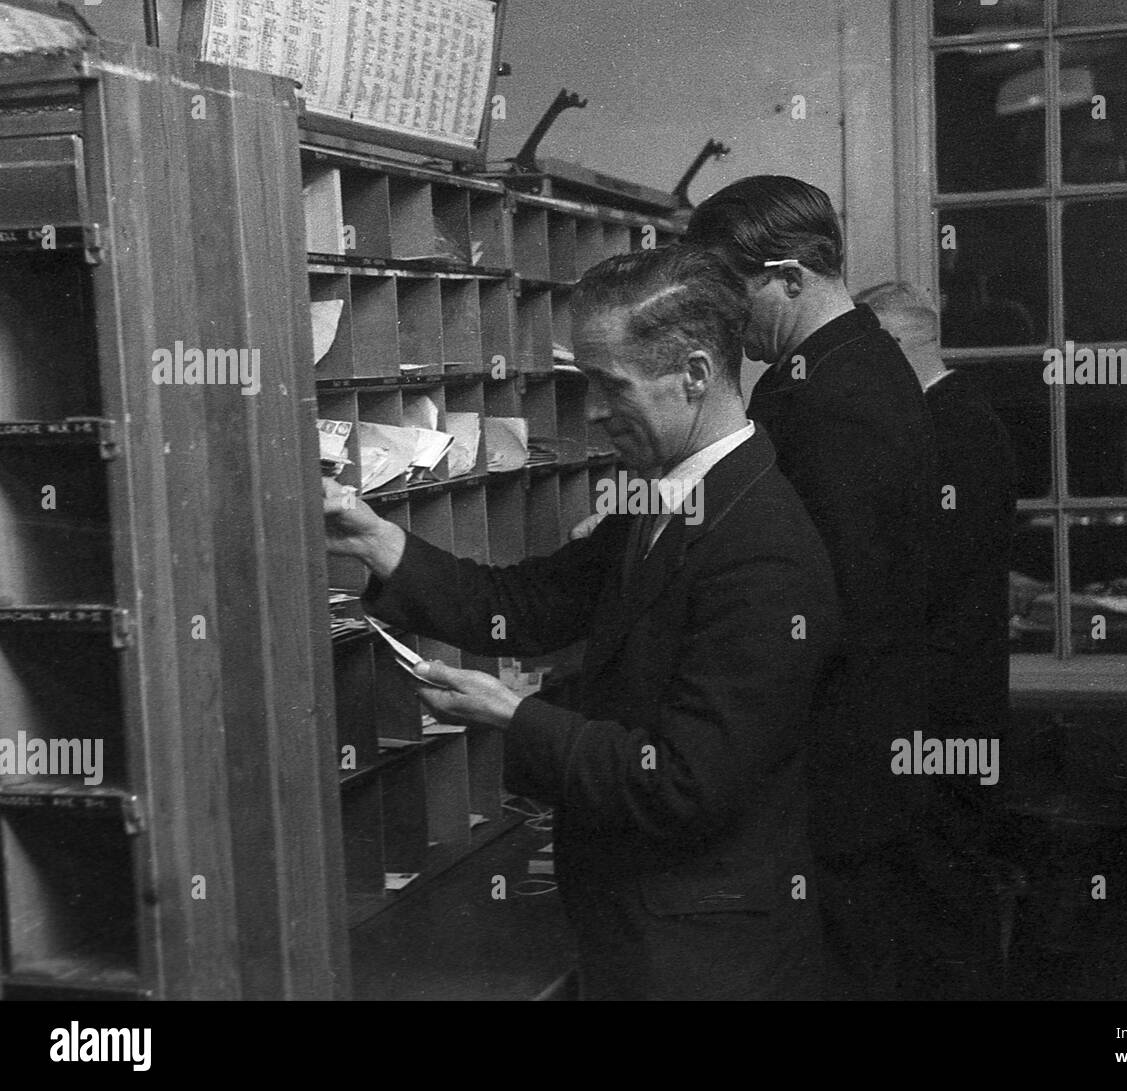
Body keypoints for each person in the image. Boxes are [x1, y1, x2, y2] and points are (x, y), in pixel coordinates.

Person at [322, 245, 840, 1001]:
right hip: (649, 927)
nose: (593, 411)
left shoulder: (763, 549)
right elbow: (524, 606)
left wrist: (514, 714)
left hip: (706, 955)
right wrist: (375, 537)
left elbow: (685, 783)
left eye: (609, 385)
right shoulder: (668, 495)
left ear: (695, 373)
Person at [685, 177, 935, 1000]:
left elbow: (829, 593)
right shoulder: (823, 370)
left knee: (847, 964)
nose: (726, 319)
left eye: (733, 295)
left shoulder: (841, 394)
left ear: (790, 277)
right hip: (846, 742)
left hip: (843, 751)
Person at [857, 280, 1018, 999]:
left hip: (942, 708)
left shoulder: (946, 429)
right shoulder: (961, 418)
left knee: (945, 907)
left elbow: (919, 574)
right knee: (941, 901)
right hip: (956, 700)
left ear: (893, 347)